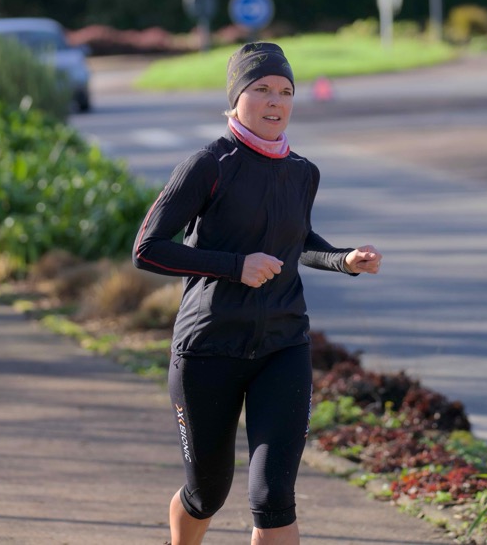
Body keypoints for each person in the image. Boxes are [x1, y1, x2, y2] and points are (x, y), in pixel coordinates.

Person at [133, 42, 383, 545]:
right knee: (207, 492)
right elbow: (148, 249)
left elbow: (298, 242)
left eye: (285, 91)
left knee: (273, 498)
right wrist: (235, 267)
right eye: (262, 89)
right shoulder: (209, 165)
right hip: (208, 349)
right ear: (236, 99)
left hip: (283, 346)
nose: (275, 101)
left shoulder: (303, 172)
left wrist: (342, 259)